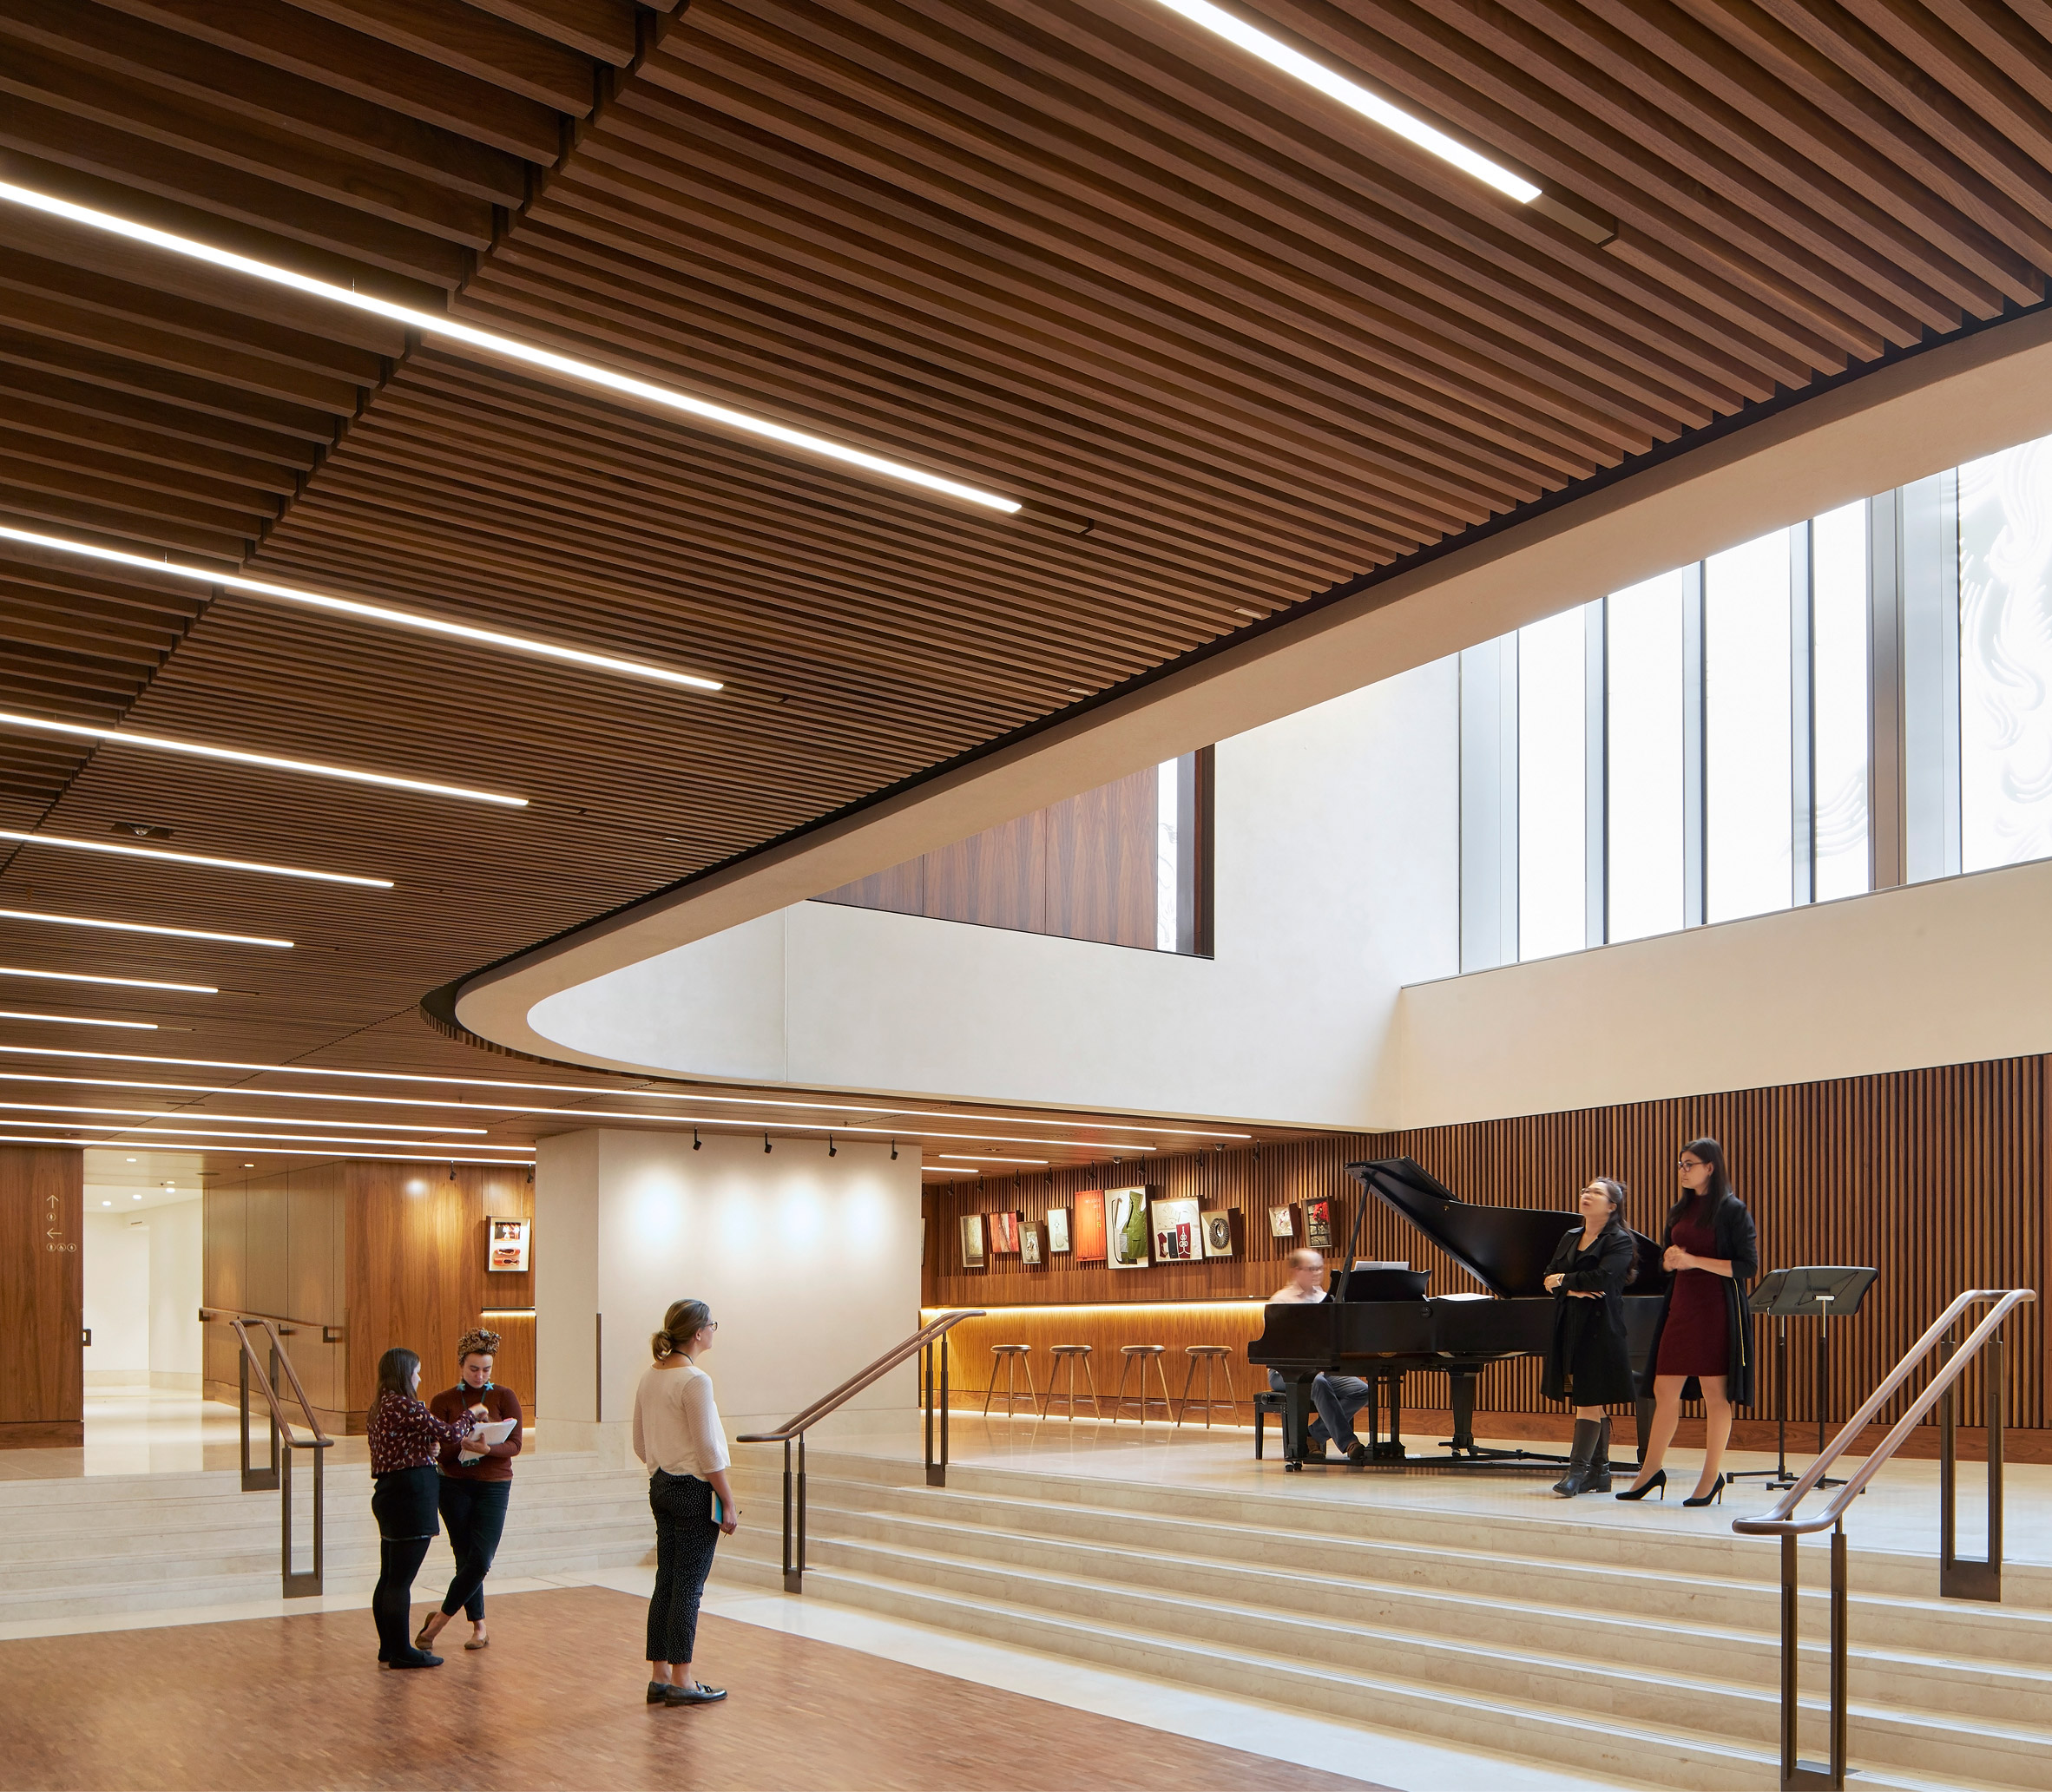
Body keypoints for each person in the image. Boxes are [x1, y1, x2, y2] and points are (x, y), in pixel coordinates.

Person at [1619, 1138, 1759, 1507]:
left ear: (1710, 1167)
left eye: (1689, 1164)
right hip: (1681, 1306)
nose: (1682, 1169)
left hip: (1716, 1308)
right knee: (1665, 1389)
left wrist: (1694, 1261)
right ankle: (1650, 1471)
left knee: (1715, 1395)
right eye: (1680, 1163)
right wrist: (1669, 1261)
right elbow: (1668, 1261)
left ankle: (1711, 1477)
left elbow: (1747, 1267)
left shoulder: (1732, 1210)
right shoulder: (1679, 1210)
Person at [634, 1298, 740, 1707]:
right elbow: (708, 1450)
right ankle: (683, 1679)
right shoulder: (695, 1381)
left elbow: (640, 1444)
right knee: (689, 1588)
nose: (714, 1331)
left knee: (667, 1581)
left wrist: (665, 1466)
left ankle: (660, 1675)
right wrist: (727, 1501)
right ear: (698, 1333)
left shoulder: (650, 1376)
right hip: (695, 1489)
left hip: (660, 1485)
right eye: (712, 1324)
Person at [366, 1347, 482, 1669]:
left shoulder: (380, 1406)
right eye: (416, 1370)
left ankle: (389, 1647)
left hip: (389, 1493)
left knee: (389, 1577)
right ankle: (402, 1651)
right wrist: (472, 1413)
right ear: (405, 1373)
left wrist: (426, 1447)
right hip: (410, 1496)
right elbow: (449, 1433)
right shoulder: (405, 1404)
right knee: (400, 1581)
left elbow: (402, 1446)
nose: (420, 1377)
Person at [416, 1329, 523, 1655]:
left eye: (486, 1369)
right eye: (474, 1368)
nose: (480, 1375)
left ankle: (437, 1624)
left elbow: (515, 1444)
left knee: (481, 1559)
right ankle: (479, 1626)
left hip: (494, 1484)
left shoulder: (505, 1396)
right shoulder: (444, 1400)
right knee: (464, 1556)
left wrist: (486, 1447)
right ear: (461, 1365)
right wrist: (459, 1444)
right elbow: (439, 1452)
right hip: (454, 1484)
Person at [1540, 1178, 1639, 1497]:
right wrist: (1571, 1285)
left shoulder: (1619, 1240)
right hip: (1569, 1322)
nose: (1586, 1194)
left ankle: (1576, 1474)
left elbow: (1602, 1278)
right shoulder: (1570, 1236)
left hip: (1600, 1327)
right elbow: (1546, 1276)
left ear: (1612, 1206)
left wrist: (1564, 1281)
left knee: (1587, 1399)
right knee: (1588, 1397)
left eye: (1596, 1192)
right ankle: (1601, 1473)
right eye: (1585, 1190)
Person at [1266, 1249, 1374, 1465]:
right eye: (1311, 1268)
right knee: (1318, 1382)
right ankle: (1349, 1442)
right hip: (1284, 1371)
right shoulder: (1281, 1300)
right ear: (1297, 1271)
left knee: (1362, 1391)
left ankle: (1313, 1435)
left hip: (1321, 1367)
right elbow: (1276, 1345)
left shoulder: (1323, 1298)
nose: (1317, 1273)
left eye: (1319, 1268)